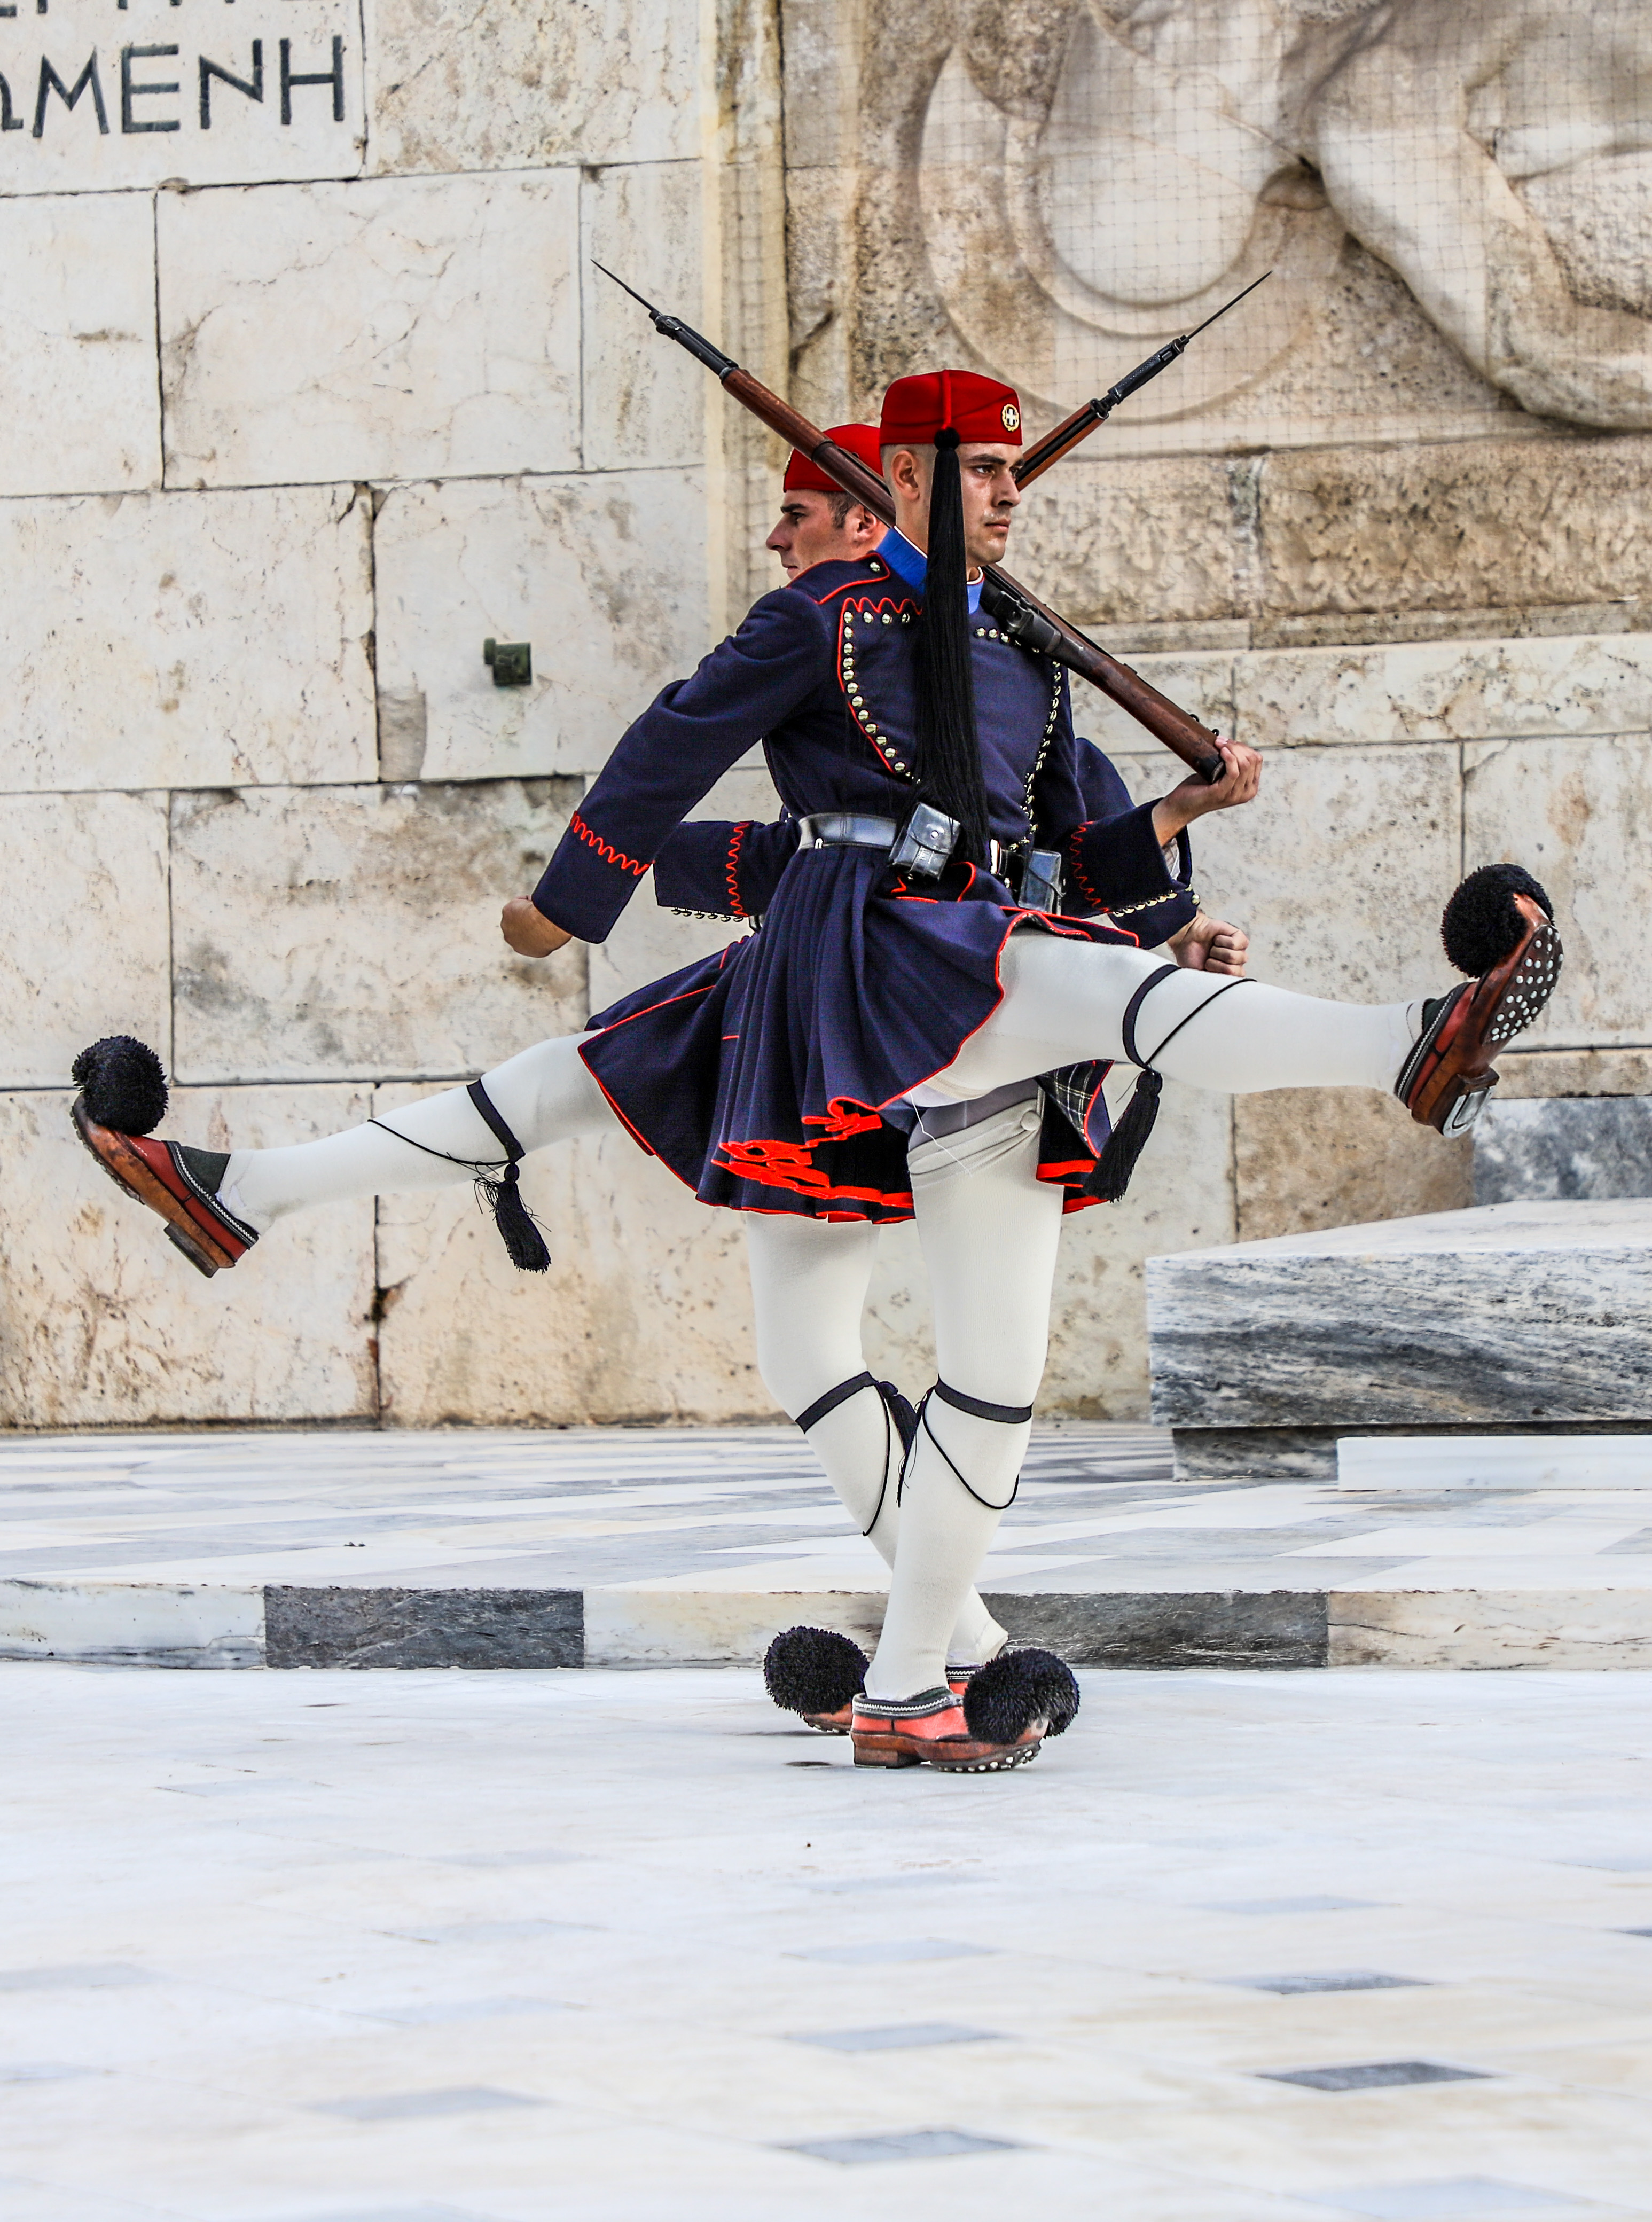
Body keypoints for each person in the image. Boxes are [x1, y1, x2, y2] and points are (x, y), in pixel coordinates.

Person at [71, 369, 1561, 1773]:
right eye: (979, 471)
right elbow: (672, 746)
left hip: (952, 961)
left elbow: (1067, 845)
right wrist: (563, 900)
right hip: (863, 953)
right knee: (680, 1081)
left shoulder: (1018, 654)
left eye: (1008, 470)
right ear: (898, 478)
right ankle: (1401, 1048)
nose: (1009, 494)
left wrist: (1175, 829)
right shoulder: (829, 620)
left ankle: (932, 1663)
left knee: (977, 1272)